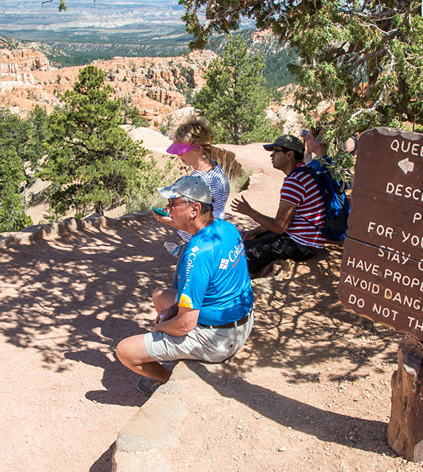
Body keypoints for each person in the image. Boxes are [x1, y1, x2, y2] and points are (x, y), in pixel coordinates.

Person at [117, 175, 254, 397]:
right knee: (161, 296)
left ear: (195, 208)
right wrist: (171, 310)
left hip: (218, 340)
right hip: (240, 322)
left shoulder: (198, 254)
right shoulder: (225, 229)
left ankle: (168, 381)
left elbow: (184, 324)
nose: (167, 208)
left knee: (125, 351)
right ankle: (176, 353)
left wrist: (160, 327)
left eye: (173, 203)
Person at [230, 134, 326, 278]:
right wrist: (257, 231)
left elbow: (279, 226)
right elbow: (285, 221)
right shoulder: (303, 174)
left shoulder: (295, 182)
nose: (272, 156)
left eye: (276, 151)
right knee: (254, 238)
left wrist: (249, 211)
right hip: (306, 239)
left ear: (289, 154)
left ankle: (239, 284)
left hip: (302, 244)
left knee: (248, 250)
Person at [160, 117, 231, 243]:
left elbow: (197, 224)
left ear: (199, 149)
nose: (179, 155)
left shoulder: (200, 182)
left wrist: (170, 221)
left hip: (202, 241)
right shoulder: (215, 168)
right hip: (216, 234)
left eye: (182, 151)